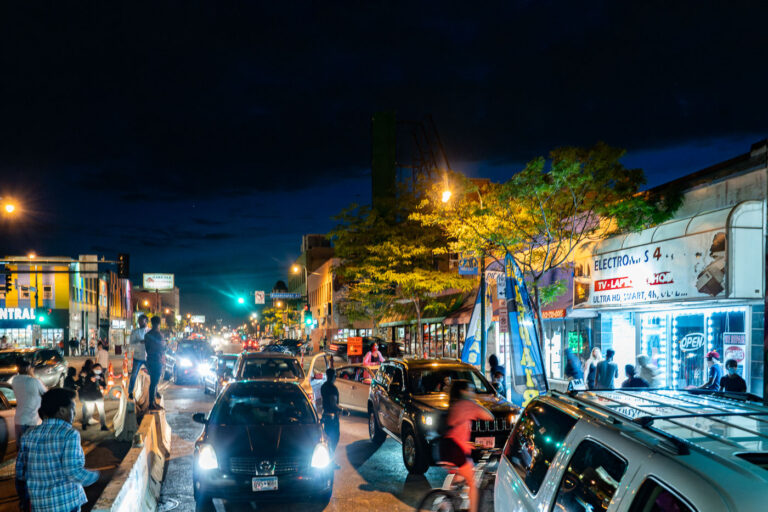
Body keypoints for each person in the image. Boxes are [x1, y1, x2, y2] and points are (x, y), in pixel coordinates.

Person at [15, 388, 100, 512]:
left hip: (39, 505)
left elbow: (20, 472)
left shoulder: (29, 435)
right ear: (62, 411)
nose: (74, 413)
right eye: (72, 409)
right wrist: (99, 476)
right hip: (65, 504)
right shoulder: (69, 435)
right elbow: (74, 473)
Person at [439, 380, 493, 512]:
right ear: (463, 391)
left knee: (460, 476)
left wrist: (469, 444)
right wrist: (477, 402)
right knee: (472, 482)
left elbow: (456, 432)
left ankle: (446, 501)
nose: (473, 393)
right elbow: (489, 416)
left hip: (445, 447)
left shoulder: (454, 405)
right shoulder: (468, 405)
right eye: (471, 390)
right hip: (456, 449)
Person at [12, 359, 47, 440]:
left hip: (18, 420)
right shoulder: (34, 381)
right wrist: (32, 375)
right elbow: (46, 393)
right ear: (28, 368)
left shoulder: (15, 380)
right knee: (32, 448)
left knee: (21, 448)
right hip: (32, 420)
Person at [320, 367, 342, 466]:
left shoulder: (323, 386)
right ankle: (331, 461)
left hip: (325, 415)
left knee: (328, 437)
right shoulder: (333, 388)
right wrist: (342, 409)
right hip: (333, 417)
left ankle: (328, 458)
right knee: (335, 438)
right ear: (333, 376)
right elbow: (333, 404)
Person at [143, 316, 165, 410]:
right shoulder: (159, 335)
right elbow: (162, 348)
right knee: (154, 382)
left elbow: (147, 348)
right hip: (157, 360)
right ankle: (151, 403)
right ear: (159, 324)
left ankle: (153, 402)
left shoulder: (147, 335)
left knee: (153, 382)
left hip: (150, 359)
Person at [79, 363, 108, 431]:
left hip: (98, 396)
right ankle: (84, 423)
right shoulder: (89, 376)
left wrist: (102, 383)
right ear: (93, 369)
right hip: (90, 397)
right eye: (97, 369)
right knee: (90, 411)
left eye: (100, 369)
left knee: (102, 411)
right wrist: (91, 381)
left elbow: (104, 385)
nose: (98, 370)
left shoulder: (101, 375)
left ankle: (103, 425)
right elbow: (85, 387)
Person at [128, 315, 149, 399]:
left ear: (146, 321)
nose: (140, 323)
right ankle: (130, 392)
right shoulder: (135, 332)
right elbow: (131, 345)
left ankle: (155, 392)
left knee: (153, 375)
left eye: (142, 321)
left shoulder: (150, 331)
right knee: (134, 375)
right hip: (138, 357)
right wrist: (140, 342)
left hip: (148, 357)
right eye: (139, 321)